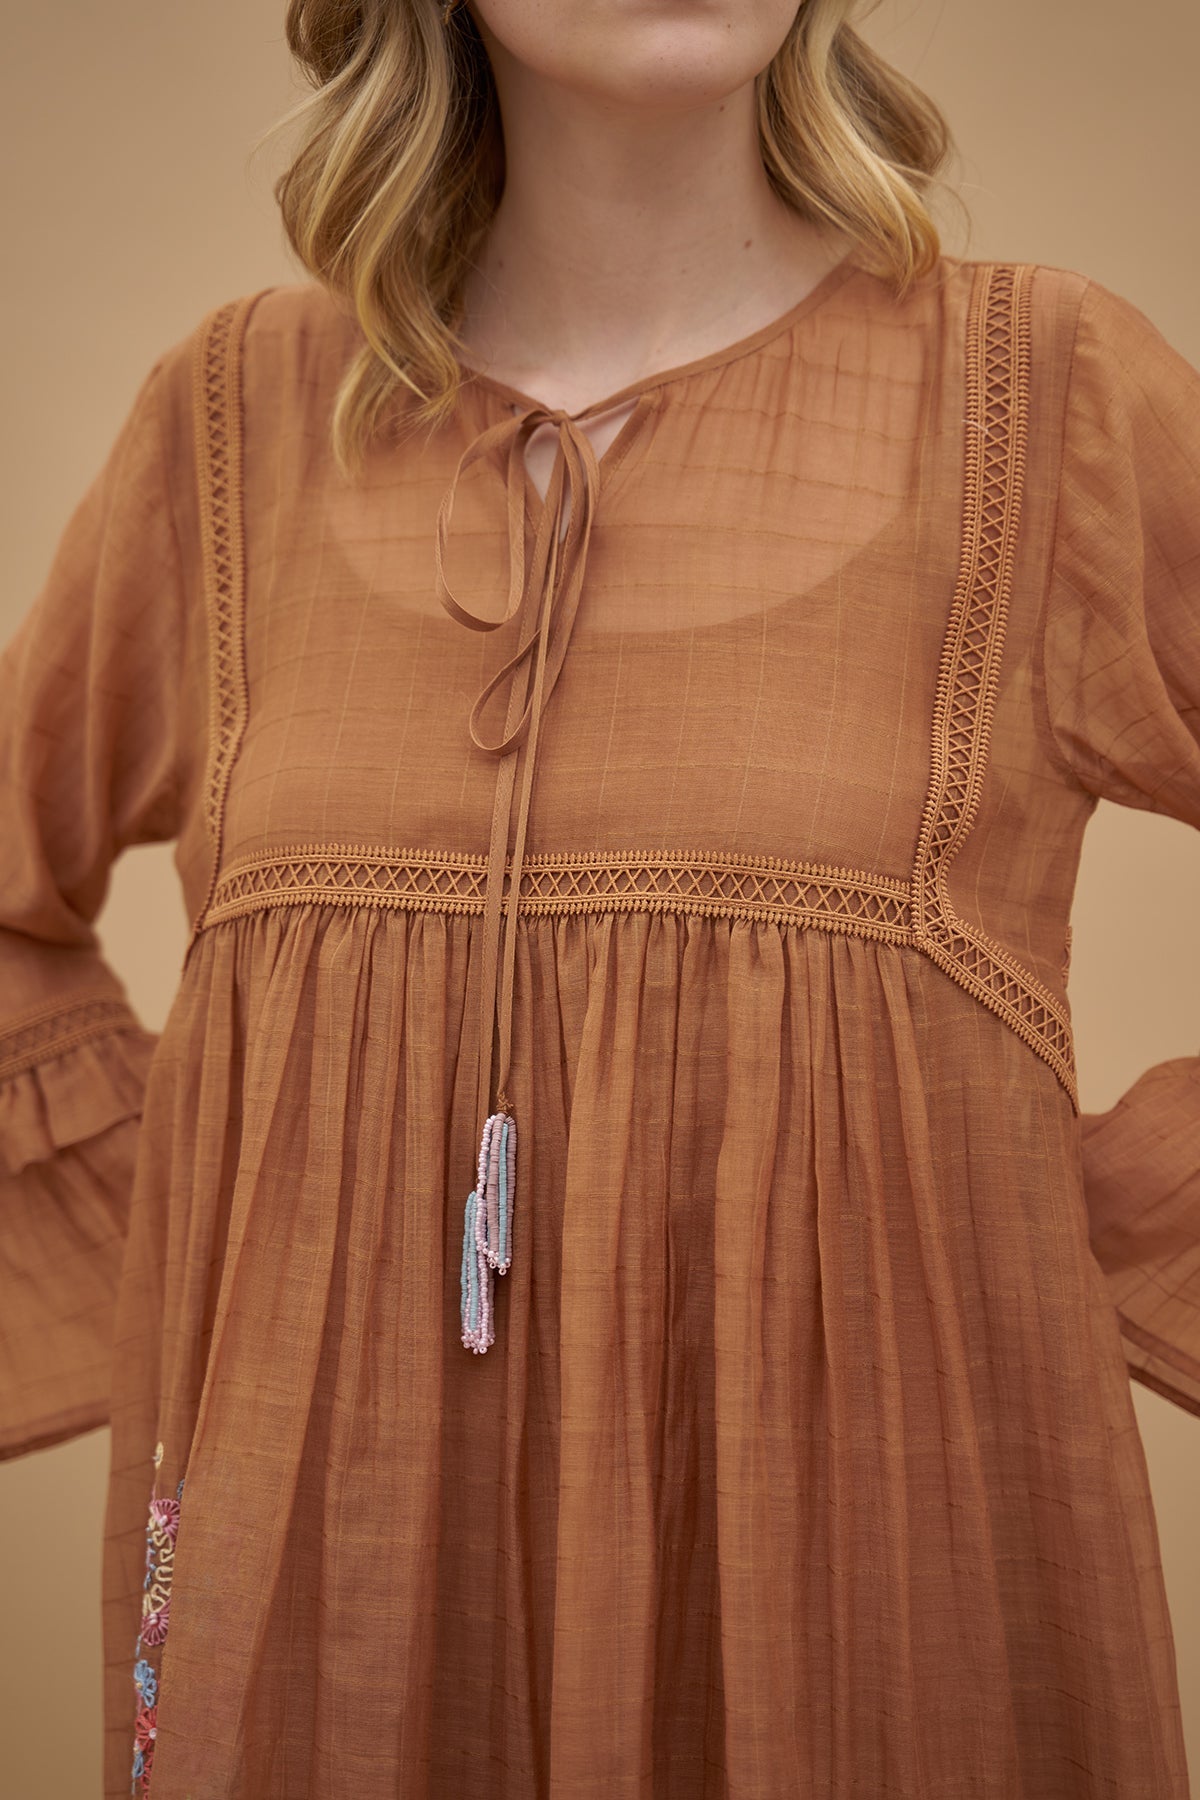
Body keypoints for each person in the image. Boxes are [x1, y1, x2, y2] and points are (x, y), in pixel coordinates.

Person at [1, 1, 1197, 1794]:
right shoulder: (233, 426)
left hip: (859, 1619)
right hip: (343, 1628)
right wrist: (236, 1235)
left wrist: (1058, 1225)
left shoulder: (1041, 400)